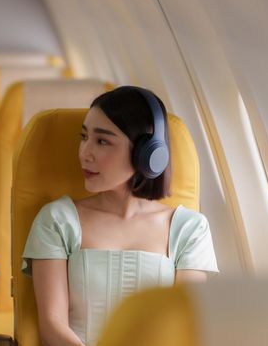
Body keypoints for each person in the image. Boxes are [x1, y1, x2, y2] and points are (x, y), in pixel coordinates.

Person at [21, 86, 219, 346]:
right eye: (84, 137)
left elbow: (183, 330)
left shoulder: (189, 230)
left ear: (147, 154)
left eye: (102, 141)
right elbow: (52, 327)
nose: (84, 153)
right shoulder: (57, 221)